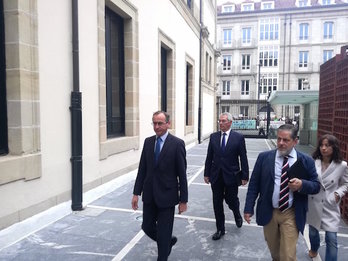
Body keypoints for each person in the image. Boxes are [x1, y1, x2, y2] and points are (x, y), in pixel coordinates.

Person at [244, 124, 320, 261]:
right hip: (269, 210)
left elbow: (316, 186)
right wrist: (248, 208)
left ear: (295, 141)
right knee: (275, 253)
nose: (281, 143)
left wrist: (302, 184)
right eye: (279, 139)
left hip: (291, 212)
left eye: (286, 140)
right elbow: (254, 184)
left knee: (288, 255)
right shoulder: (264, 158)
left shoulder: (305, 160)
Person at [131, 111, 188, 261]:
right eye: (154, 123)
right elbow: (142, 169)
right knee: (147, 227)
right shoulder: (148, 142)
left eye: (160, 123)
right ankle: (167, 242)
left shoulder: (177, 144)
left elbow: (182, 175)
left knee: (163, 232)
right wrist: (136, 193)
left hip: (167, 196)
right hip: (149, 195)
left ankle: (163, 252)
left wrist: (183, 200)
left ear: (168, 124)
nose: (157, 127)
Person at [204, 112, 249, 240]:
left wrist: (245, 175)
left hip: (232, 176)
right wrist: (207, 173)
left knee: (231, 200)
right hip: (216, 175)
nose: (221, 123)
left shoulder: (238, 138)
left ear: (230, 122)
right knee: (217, 203)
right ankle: (220, 229)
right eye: (220, 121)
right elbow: (209, 157)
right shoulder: (213, 137)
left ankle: (236, 213)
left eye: (224, 121)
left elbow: (243, 157)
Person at [307, 134, 348, 260]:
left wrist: (337, 194)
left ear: (334, 148)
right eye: (322, 145)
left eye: (327, 145)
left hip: (330, 204)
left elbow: (346, 184)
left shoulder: (342, 165)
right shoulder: (313, 162)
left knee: (331, 238)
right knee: (313, 233)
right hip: (314, 203)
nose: (323, 148)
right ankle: (314, 249)